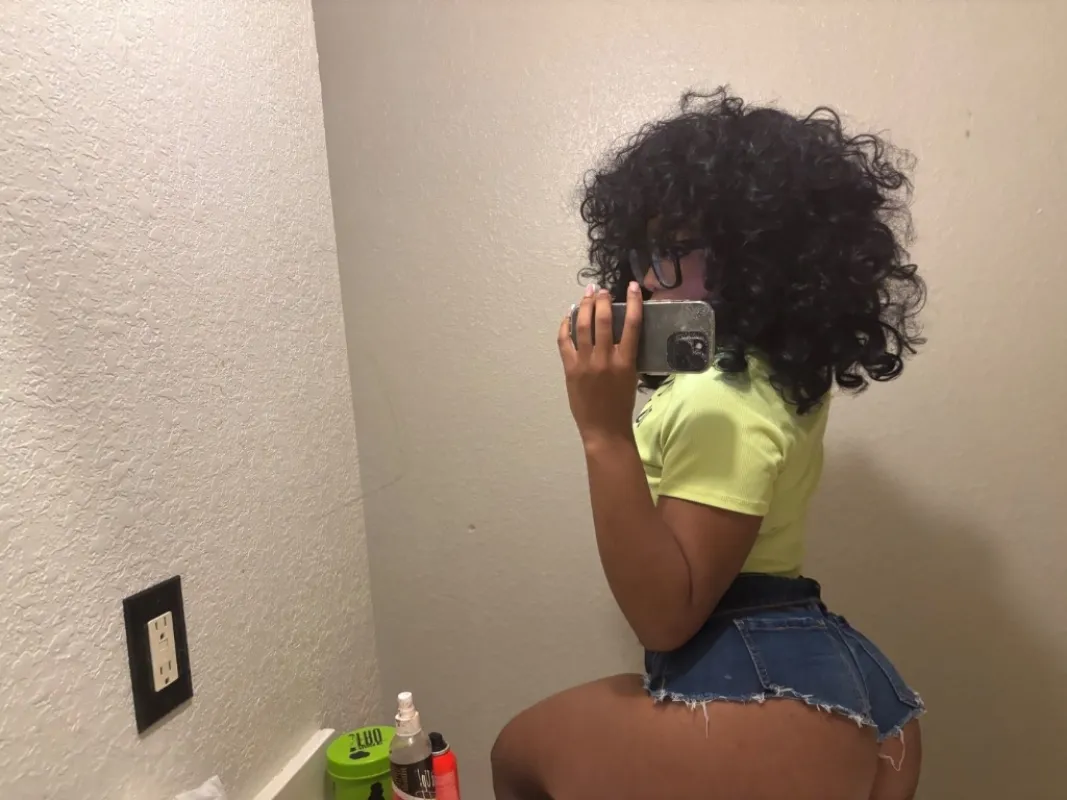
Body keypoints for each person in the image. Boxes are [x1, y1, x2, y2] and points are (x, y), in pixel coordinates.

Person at [491, 89, 927, 800]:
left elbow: (666, 616)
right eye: (644, 251)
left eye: (670, 250)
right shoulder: (770, 379)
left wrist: (603, 433)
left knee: (516, 752)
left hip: (759, 683)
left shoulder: (718, 398)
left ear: (756, 259)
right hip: (841, 680)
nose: (643, 277)